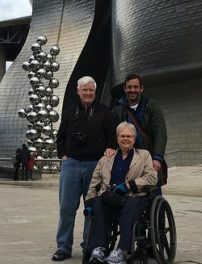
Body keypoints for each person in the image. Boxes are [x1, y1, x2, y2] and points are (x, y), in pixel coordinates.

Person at [52, 76, 117, 262]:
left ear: (95, 93)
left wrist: (110, 147)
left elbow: (112, 135)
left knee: (92, 208)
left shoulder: (105, 112)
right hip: (71, 164)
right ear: (78, 91)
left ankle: (89, 245)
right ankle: (63, 247)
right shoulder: (70, 111)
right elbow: (61, 136)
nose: (88, 93)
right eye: (85, 90)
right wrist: (63, 155)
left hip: (94, 166)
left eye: (91, 90)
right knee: (66, 208)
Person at [85, 122, 157, 264]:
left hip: (134, 197)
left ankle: (122, 251)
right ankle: (98, 248)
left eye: (129, 136)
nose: (125, 139)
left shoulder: (143, 155)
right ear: (117, 138)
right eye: (122, 136)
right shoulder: (106, 158)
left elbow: (152, 177)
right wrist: (89, 203)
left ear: (134, 139)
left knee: (131, 205)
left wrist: (129, 186)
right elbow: (94, 183)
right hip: (110, 197)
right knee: (99, 203)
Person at [112, 74, 167, 189]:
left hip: (149, 158)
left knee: (152, 191)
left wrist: (157, 158)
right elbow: (112, 135)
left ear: (141, 88)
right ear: (125, 89)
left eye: (136, 87)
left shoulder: (151, 106)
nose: (132, 90)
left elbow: (160, 132)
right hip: (126, 159)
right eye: (129, 87)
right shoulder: (118, 111)